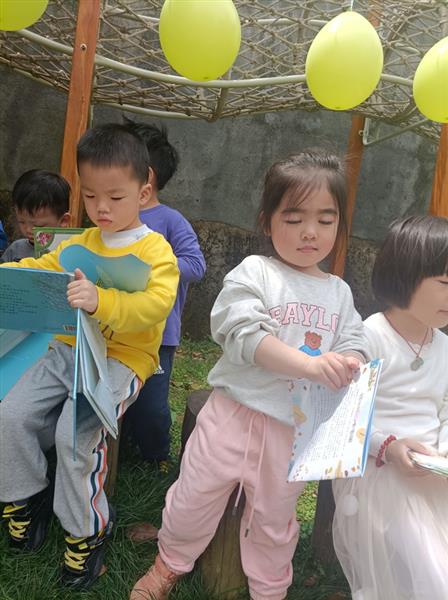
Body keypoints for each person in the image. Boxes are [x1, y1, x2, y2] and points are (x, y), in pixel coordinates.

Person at [129, 149, 367, 600]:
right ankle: (169, 564)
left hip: (291, 431)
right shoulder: (255, 272)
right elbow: (242, 335)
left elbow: (354, 338)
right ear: (267, 222)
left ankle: (270, 589)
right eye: (294, 218)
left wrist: (350, 359)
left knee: (275, 520)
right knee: (193, 497)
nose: (311, 232)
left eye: (326, 219)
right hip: (231, 416)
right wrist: (310, 365)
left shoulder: (339, 293)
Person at [0, 124, 179, 590]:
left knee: (74, 433)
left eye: (115, 197)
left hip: (122, 361)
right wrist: (9, 275)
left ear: (143, 192)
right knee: (10, 413)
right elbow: (38, 268)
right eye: (91, 195)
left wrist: (102, 301)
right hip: (69, 347)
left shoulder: (156, 250)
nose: (102, 208)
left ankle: (87, 531)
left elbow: (155, 306)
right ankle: (24, 498)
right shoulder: (80, 244)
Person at [332, 215, 448, 600]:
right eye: (445, 283)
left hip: (434, 469)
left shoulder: (443, 346)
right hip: (380, 470)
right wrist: (388, 446)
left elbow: (445, 408)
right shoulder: (370, 337)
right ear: (406, 275)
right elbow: (345, 415)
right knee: (433, 568)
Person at [123, 120, 206, 470]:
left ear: (147, 177)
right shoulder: (111, 217)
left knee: (152, 403)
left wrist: (155, 266)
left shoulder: (170, 220)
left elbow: (196, 265)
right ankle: (123, 446)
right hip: (116, 328)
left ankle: (157, 455)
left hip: (157, 335)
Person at [1, 169, 71, 262]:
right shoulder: (16, 250)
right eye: (22, 222)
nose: (28, 230)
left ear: (63, 220)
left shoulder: (70, 251)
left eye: (38, 225)